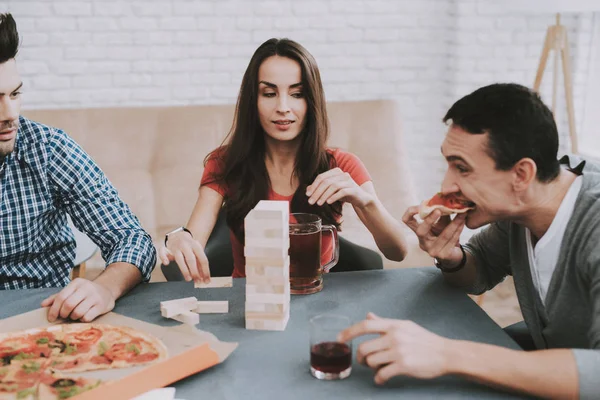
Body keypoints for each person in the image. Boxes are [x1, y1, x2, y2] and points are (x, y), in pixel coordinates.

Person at [339, 83, 599, 399]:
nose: (447, 184)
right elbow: (481, 269)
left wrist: (447, 354)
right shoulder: (521, 208)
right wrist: (452, 258)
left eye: (462, 168)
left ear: (521, 175)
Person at [159, 38, 407, 281]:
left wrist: (365, 202)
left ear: (312, 101)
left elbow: (398, 252)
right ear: (253, 100)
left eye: (297, 94)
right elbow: (192, 242)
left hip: (316, 300)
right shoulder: (225, 162)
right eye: (269, 93)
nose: (283, 107)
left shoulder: (340, 164)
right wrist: (177, 239)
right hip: (249, 302)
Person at [0, 13, 156, 322]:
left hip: (42, 323)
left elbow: (132, 239)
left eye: (15, 94)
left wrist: (105, 289)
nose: (11, 113)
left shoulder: (49, 148)